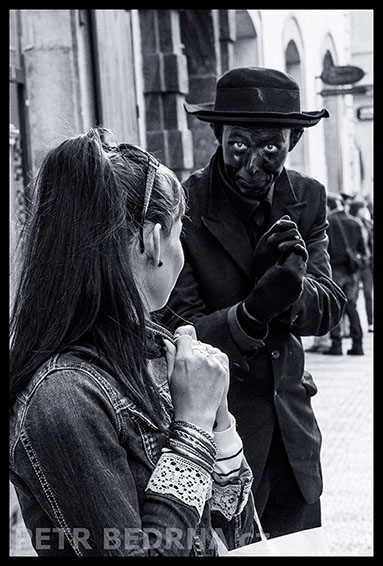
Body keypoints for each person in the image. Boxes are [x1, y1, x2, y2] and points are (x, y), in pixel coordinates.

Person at [9, 127, 255, 557]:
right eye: (181, 232)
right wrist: (194, 427)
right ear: (153, 240)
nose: (183, 250)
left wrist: (222, 424)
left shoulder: (160, 355)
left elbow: (233, 534)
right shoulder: (64, 395)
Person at [158, 67, 346, 540]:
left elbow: (328, 304)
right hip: (217, 430)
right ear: (218, 136)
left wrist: (289, 290)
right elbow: (178, 329)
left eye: (271, 148)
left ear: (291, 143)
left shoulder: (306, 197)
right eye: (239, 145)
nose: (253, 164)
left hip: (291, 438)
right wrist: (252, 311)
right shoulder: (186, 205)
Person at [322, 194, 367, 356]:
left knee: (335, 307)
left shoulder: (328, 222)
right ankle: (358, 343)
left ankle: (336, 344)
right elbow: (363, 249)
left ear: (328, 206)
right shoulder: (355, 222)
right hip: (352, 270)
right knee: (351, 306)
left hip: (334, 268)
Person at [349, 199, 374, 332]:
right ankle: (352, 327)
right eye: (362, 208)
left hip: (367, 263)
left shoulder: (368, 224)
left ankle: (371, 322)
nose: (364, 211)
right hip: (356, 263)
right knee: (353, 295)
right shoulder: (351, 223)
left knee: (368, 294)